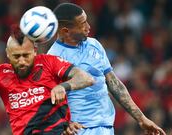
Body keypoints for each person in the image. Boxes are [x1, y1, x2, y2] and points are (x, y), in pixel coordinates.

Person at [47, 3, 166, 135]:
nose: (88, 27)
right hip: (80, 129)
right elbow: (49, 103)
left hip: (106, 126)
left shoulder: (94, 45)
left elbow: (114, 83)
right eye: (82, 24)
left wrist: (141, 118)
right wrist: (64, 125)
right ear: (65, 31)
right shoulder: (53, 58)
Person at [0, 28, 95, 135]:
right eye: (16, 56)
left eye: (26, 55)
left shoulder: (48, 63)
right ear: (8, 54)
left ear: (34, 50)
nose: (22, 61)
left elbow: (87, 78)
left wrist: (63, 86)